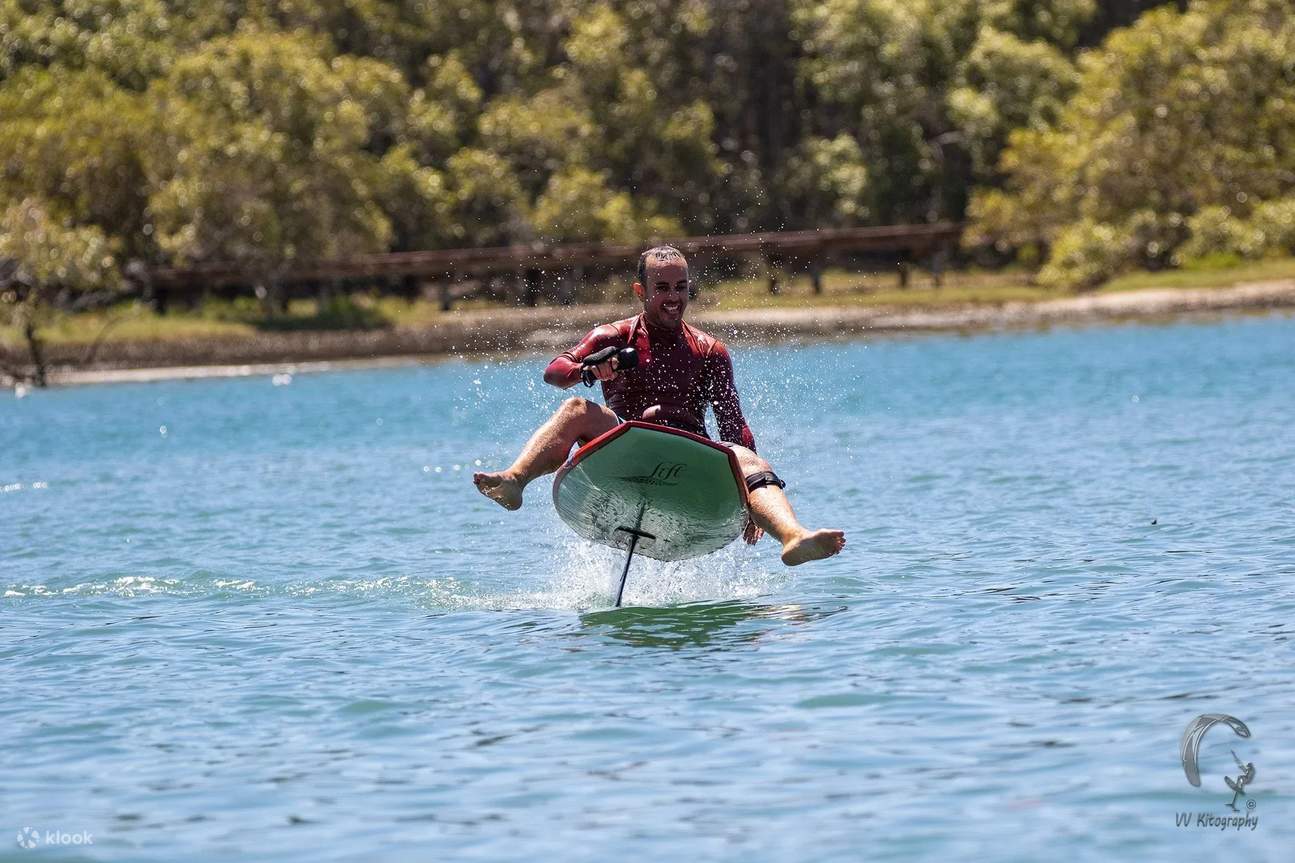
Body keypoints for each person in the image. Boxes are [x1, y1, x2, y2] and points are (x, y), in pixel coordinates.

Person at [473, 245, 846, 566]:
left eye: (681, 288)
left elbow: (734, 426)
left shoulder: (710, 350)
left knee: (750, 459)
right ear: (641, 290)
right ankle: (515, 480)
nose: (673, 297)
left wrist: (748, 502)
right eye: (663, 288)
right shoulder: (614, 336)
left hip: (688, 453)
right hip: (625, 443)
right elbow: (554, 371)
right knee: (575, 408)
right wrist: (589, 370)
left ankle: (792, 535)